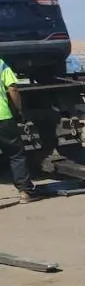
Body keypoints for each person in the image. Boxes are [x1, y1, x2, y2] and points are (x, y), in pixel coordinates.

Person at [0, 58, 37, 203]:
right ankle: (24, 193)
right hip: (3, 117)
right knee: (16, 154)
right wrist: (19, 110)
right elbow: (13, 88)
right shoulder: (1, 64)